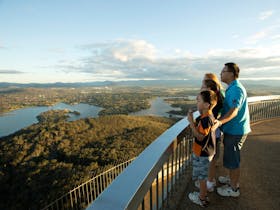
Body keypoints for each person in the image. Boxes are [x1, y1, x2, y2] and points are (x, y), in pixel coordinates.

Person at [213, 62, 251, 197]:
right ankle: (231, 180)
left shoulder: (236, 89)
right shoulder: (232, 88)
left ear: (231, 74)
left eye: (223, 71)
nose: (221, 74)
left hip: (236, 131)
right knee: (231, 157)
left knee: (233, 159)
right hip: (233, 130)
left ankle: (234, 189)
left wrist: (220, 122)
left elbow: (234, 110)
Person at [187, 90, 217, 207]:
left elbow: (200, 137)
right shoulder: (207, 115)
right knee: (202, 176)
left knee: (202, 178)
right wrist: (194, 121)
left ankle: (202, 198)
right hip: (205, 152)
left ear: (206, 105)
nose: (196, 102)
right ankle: (202, 194)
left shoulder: (206, 119)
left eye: (199, 100)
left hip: (202, 153)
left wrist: (190, 122)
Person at [195, 78, 224, 192]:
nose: (200, 89)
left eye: (202, 87)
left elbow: (201, 136)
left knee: (209, 162)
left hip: (211, 138)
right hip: (214, 136)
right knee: (211, 161)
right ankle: (209, 182)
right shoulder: (214, 105)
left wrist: (192, 124)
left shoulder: (209, 114)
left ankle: (208, 186)